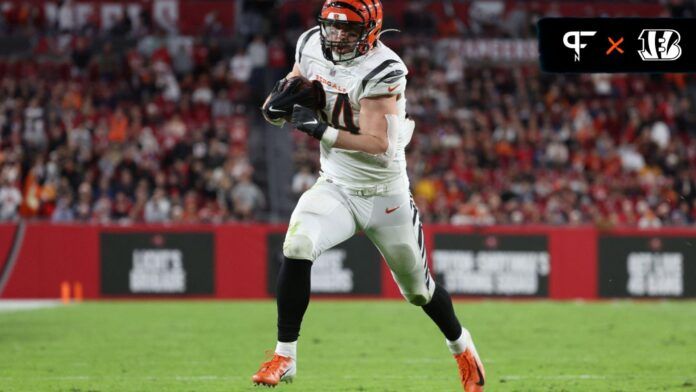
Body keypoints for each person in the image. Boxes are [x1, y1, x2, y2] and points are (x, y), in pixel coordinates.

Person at [252, 1, 485, 390]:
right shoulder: (310, 43)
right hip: (337, 186)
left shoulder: (384, 68)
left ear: (372, 30)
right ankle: (284, 356)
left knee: (419, 291)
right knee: (298, 244)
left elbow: (377, 142)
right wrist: (279, 106)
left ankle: (462, 347)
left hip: (385, 194)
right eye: (332, 27)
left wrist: (318, 130)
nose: (338, 36)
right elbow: (296, 86)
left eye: (348, 30)